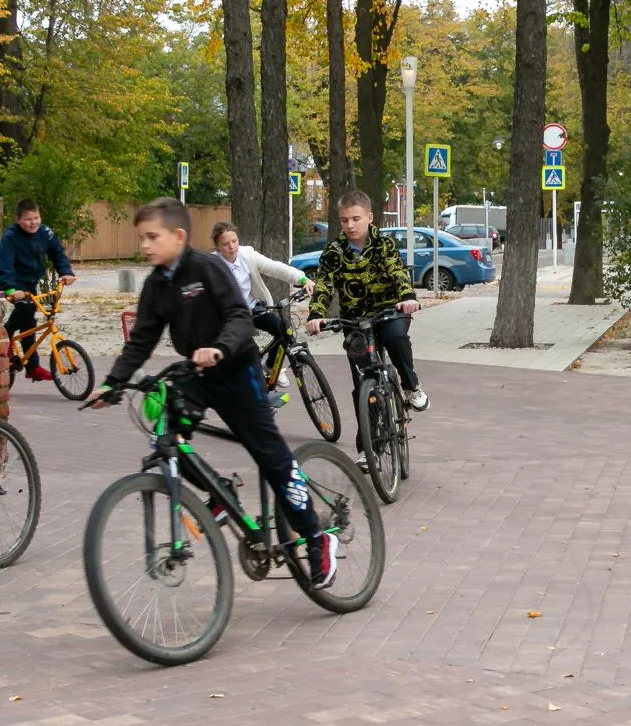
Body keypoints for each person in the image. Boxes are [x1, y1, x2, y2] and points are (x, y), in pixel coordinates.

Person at [93, 198, 337, 586]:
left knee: (272, 458)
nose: (145, 246)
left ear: (178, 236)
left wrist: (220, 348)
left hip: (238, 370)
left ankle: (315, 536)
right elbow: (141, 339)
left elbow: (239, 316)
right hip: (196, 374)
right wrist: (114, 382)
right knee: (167, 438)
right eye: (142, 239)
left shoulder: (206, 268)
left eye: (152, 237)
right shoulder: (157, 284)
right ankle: (221, 491)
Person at [305, 190, 427, 412]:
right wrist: (316, 314)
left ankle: (411, 386)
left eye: (356, 219)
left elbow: (397, 270)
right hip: (355, 317)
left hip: (389, 309)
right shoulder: (334, 251)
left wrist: (407, 297)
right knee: (361, 375)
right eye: (345, 220)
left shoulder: (384, 243)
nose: (350, 225)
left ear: (369, 217)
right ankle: (368, 431)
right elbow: (324, 284)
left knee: (395, 337)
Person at [210, 221, 309, 383]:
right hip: (229, 317)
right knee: (250, 352)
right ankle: (257, 387)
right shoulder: (212, 264)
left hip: (251, 307)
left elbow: (274, 267)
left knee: (281, 329)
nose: (232, 247)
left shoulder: (247, 255)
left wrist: (302, 278)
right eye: (225, 244)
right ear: (217, 246)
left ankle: (270, 365)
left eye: (234, 241)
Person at [0, 199, 76, 383]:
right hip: (13, 281)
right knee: (25, 311)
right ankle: (5, 339)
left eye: (36, 218)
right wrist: (10, 289)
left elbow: (57, 252)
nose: (33, 223)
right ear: (18, 220)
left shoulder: (45, 232)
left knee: (29, 322)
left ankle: (32, 367)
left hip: (30, 280)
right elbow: (4, 264)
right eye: (28, 219)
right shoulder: (10, 237)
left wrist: (65, 272)